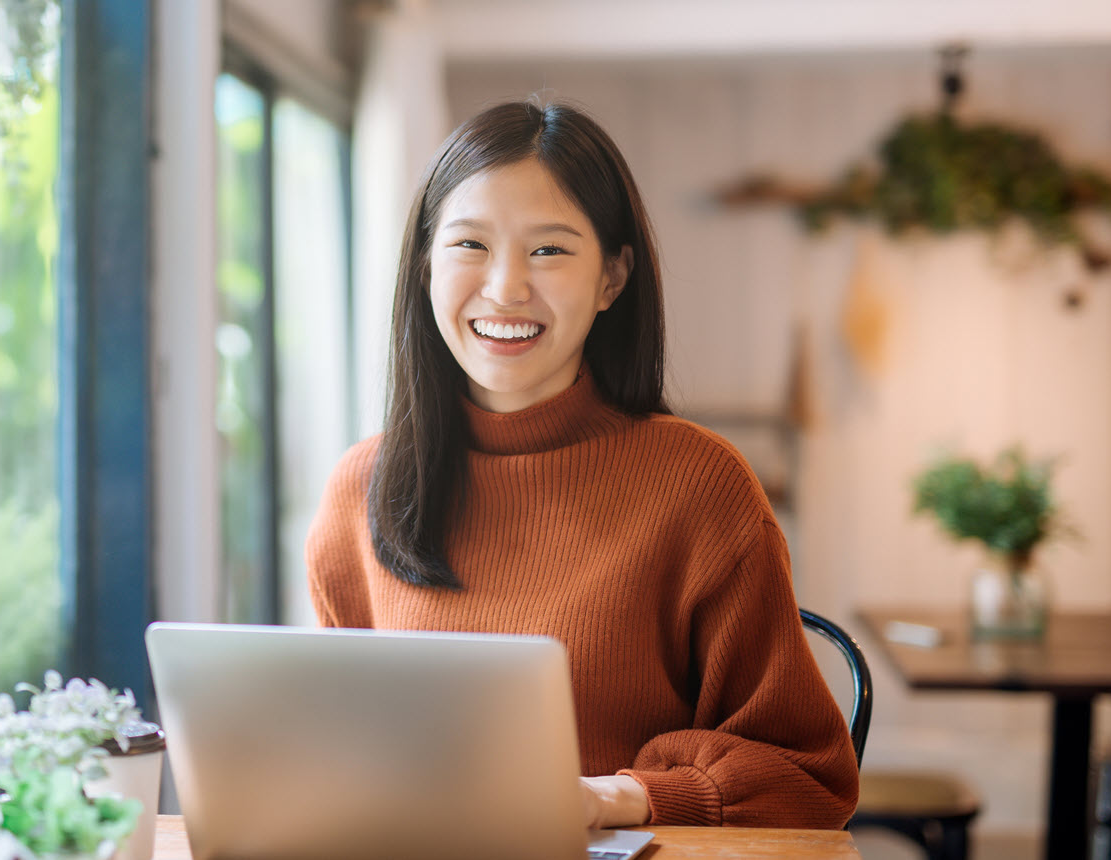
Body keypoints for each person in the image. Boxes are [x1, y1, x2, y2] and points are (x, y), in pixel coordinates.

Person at [306, 100, 859, 830]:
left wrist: (619, 797)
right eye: (470, 245)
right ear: (424, 267)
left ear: (613, 278)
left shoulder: (699, 486)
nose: (505, 289)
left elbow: (810, 775)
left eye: (549, 251)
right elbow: (330, 745)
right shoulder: (361, 489)